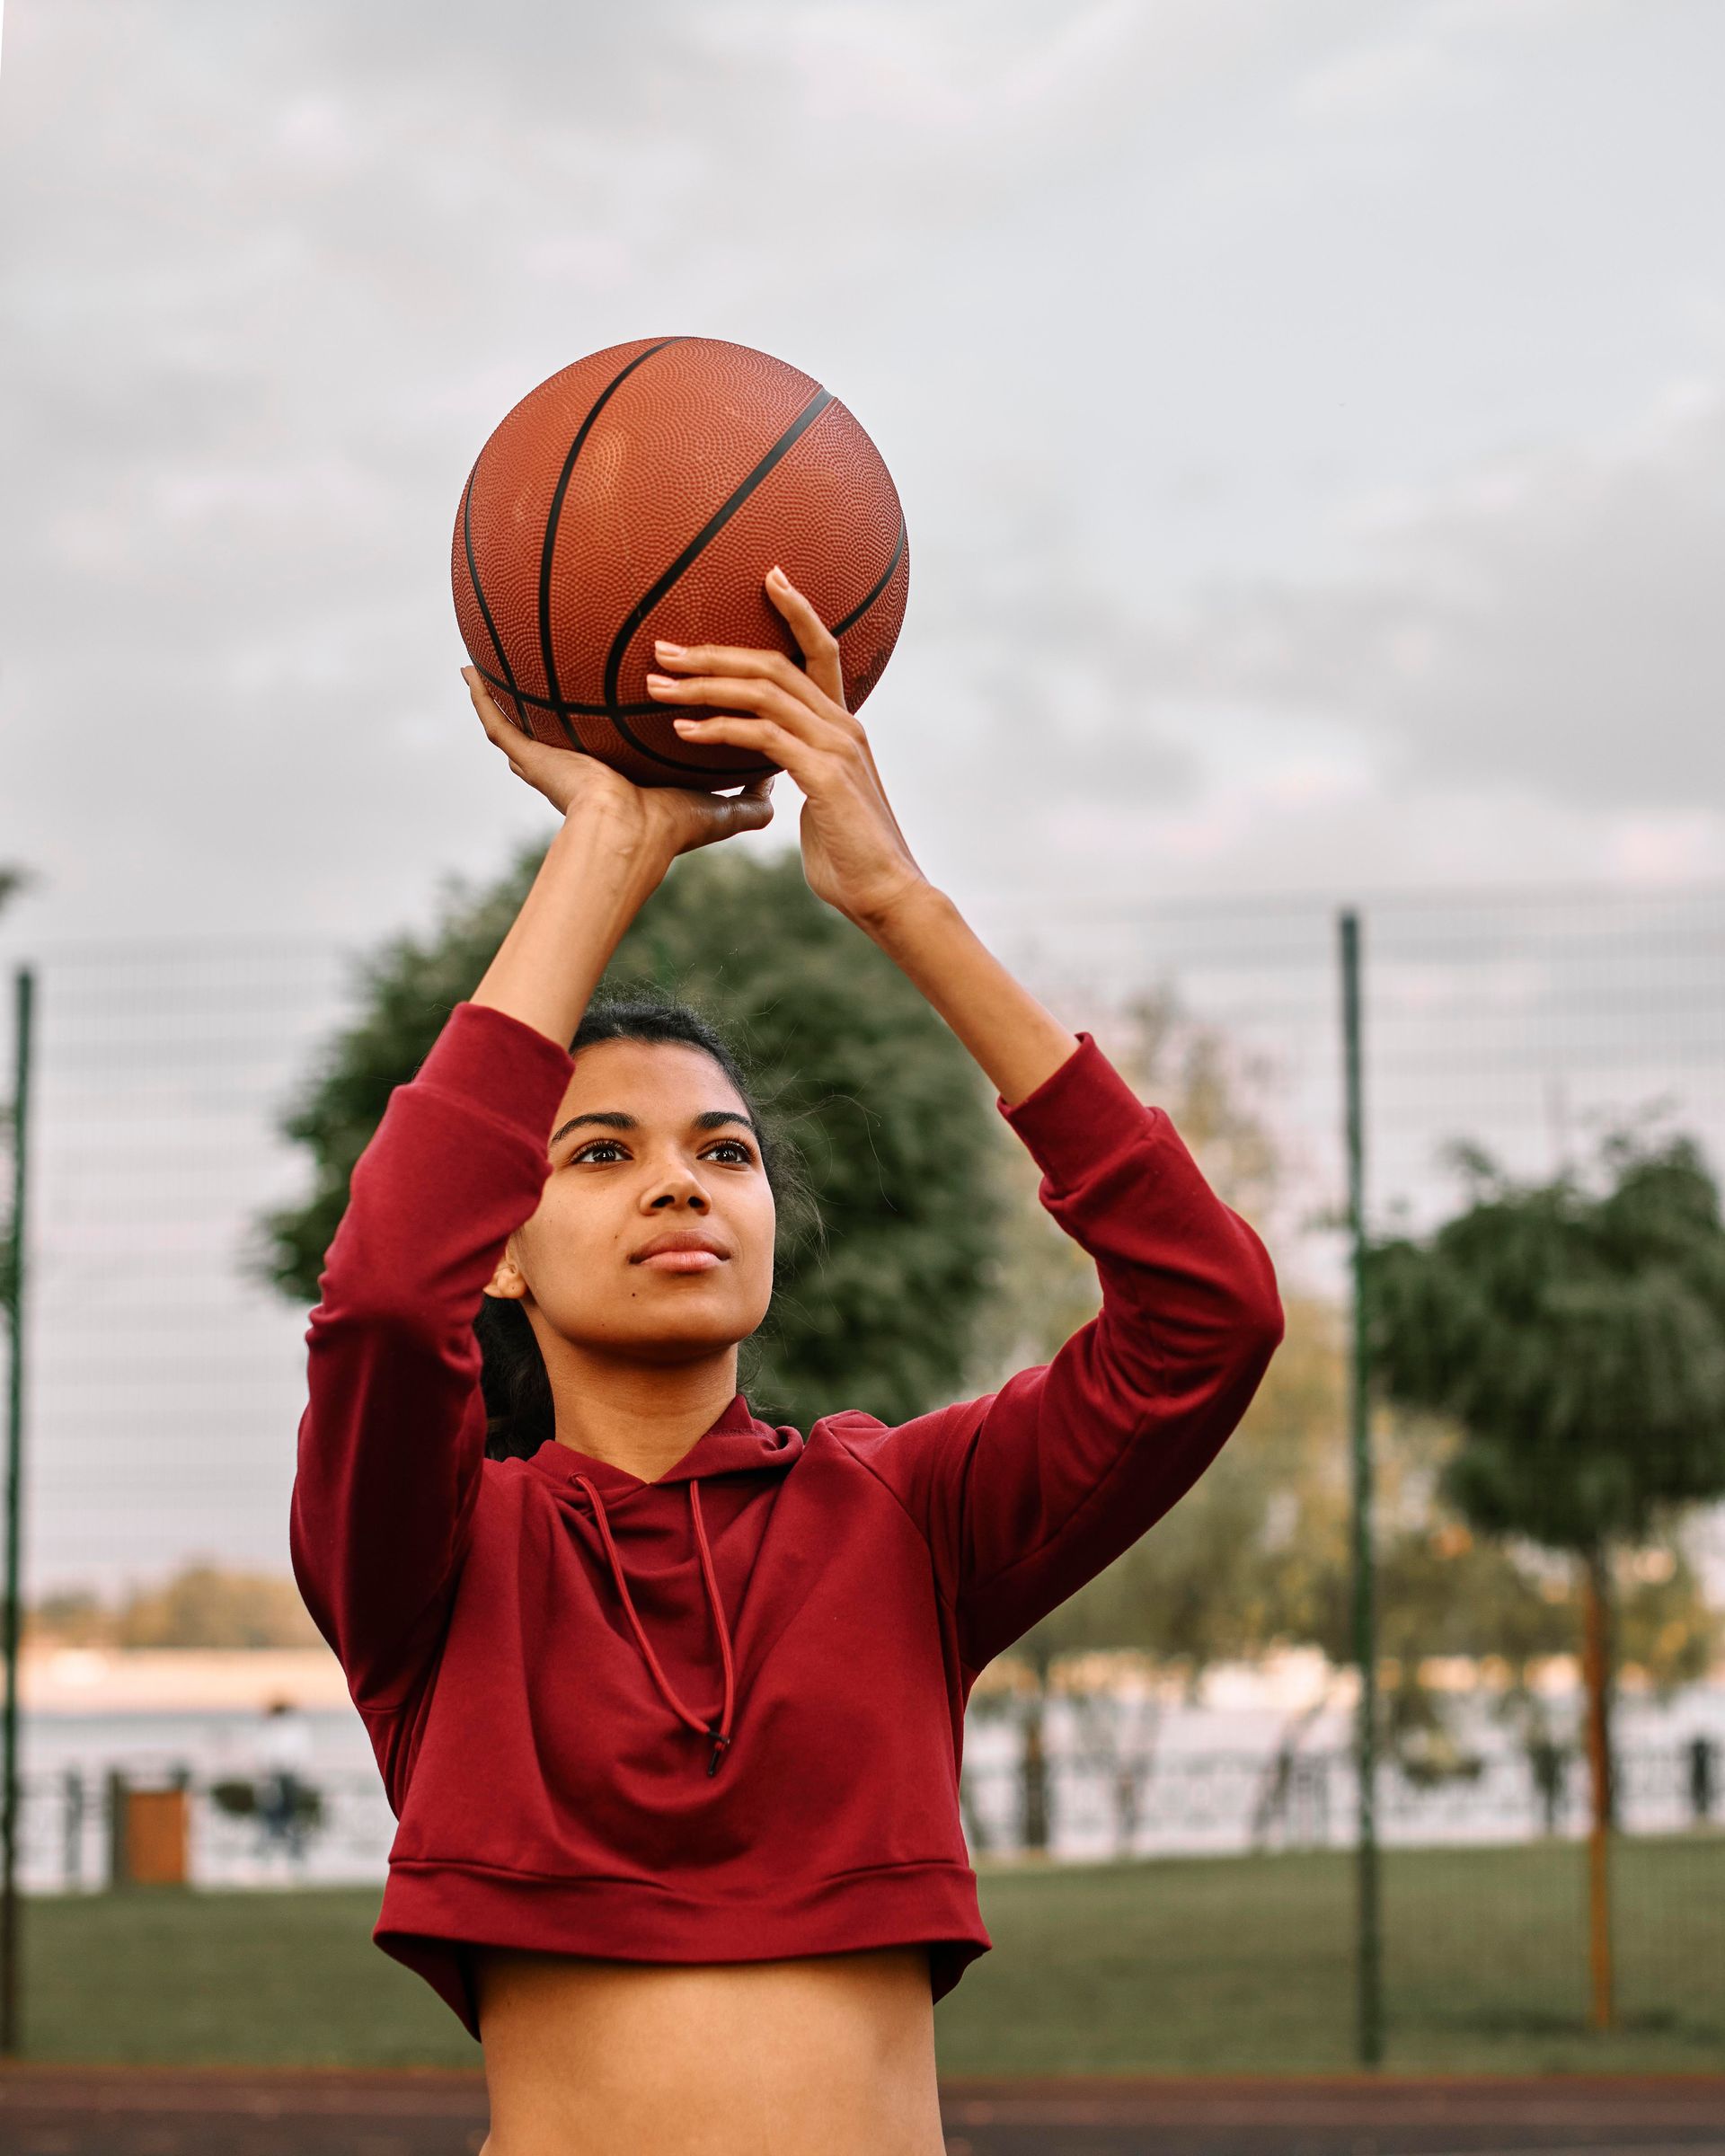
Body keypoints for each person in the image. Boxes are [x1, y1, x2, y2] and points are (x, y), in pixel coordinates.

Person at [290, 568, 1284, 2155]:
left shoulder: (905, 1518)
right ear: (503, 1246)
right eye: (600, 1153)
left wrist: (900, 902)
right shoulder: (437, 1559)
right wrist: (603, 848)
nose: (678, 1184)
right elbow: (386, 1300)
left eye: (724, 1150)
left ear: (766, 1217)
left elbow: (1207, 1320)